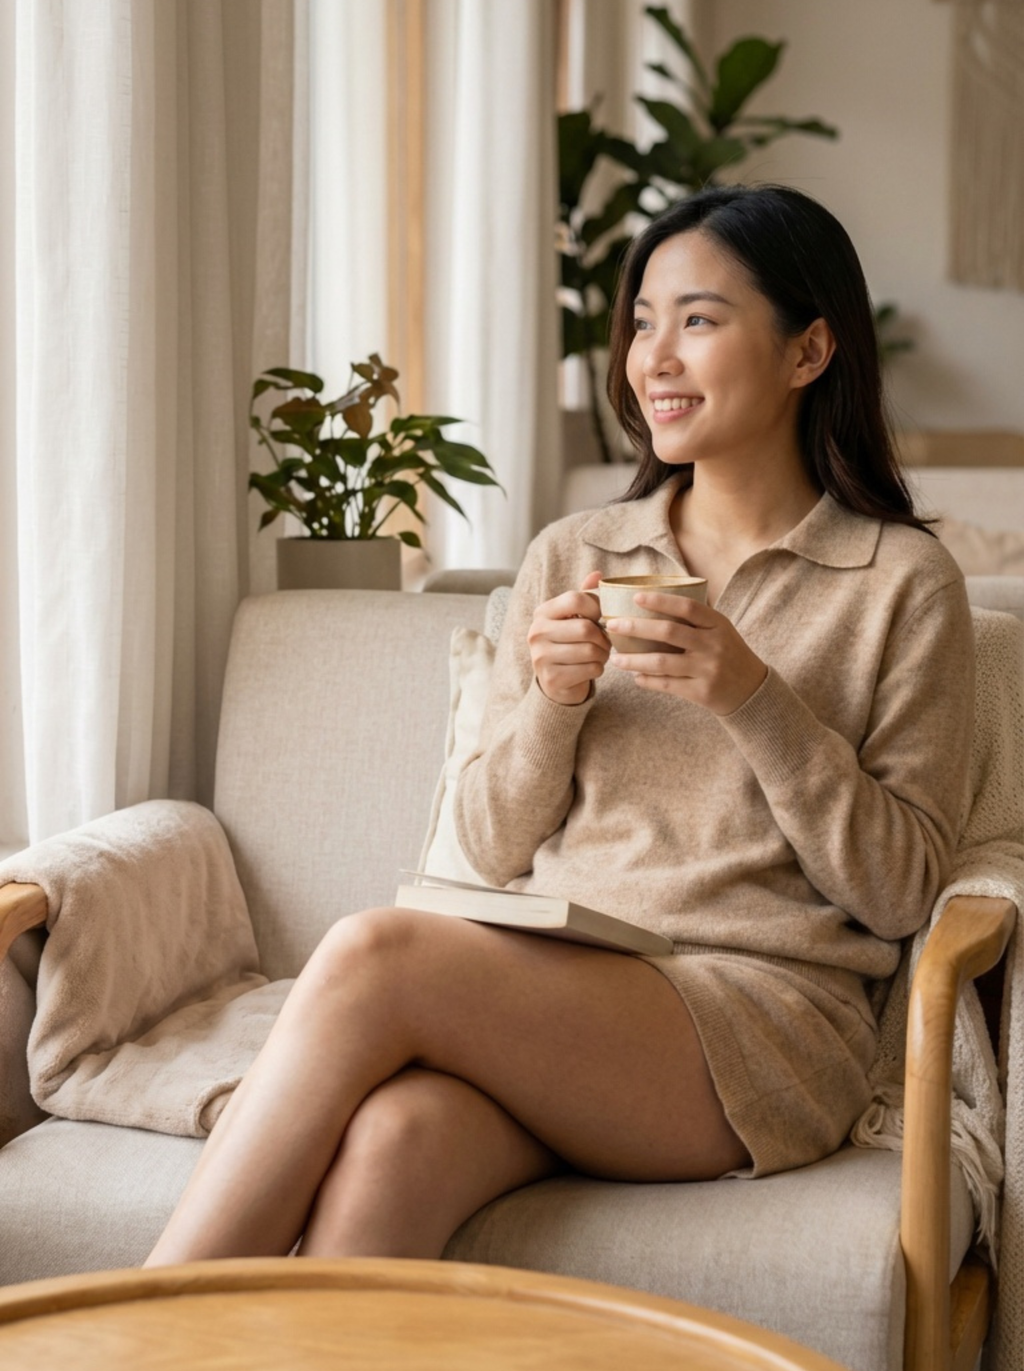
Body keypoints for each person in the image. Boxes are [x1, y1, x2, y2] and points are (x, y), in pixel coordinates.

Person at [146, 184, 973, 1267]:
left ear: (809, 350)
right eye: (640, 322)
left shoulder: (900, 582)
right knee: (396, 1143)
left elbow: (901, 888)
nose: (653, 358)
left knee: (376, 955)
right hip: (558, 986)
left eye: (698, 320)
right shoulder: (575, 552)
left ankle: (134, 1329)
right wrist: (553, 703)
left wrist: (753, 699)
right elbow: (490, 847)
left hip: (759, 1019)